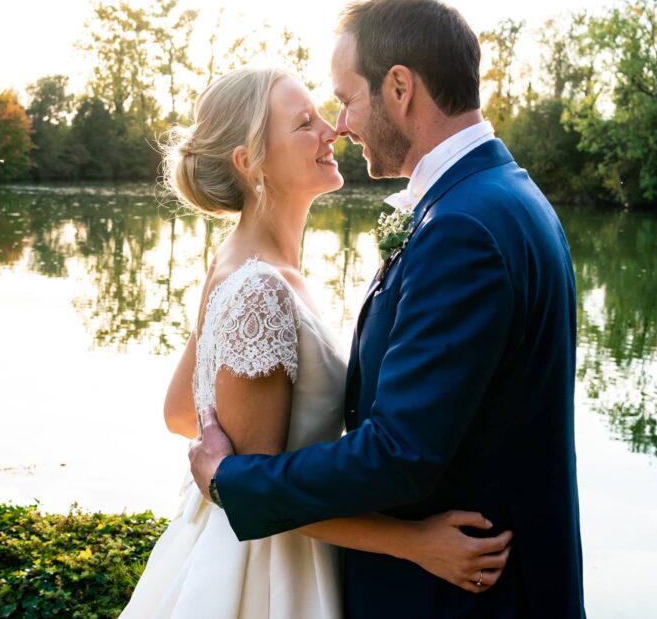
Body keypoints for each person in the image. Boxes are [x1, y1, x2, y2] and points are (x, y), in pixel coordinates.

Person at [189, 0, 586, 618]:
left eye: (345, 99)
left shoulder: (464, 228)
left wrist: (229, 482)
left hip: (467, 598)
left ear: (399, 88)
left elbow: (399, 453)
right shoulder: (498, 196)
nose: (338, 126)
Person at [120, 66, 512, 618]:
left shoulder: (239, 268)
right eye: (305, 123)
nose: (334, 130)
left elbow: (183, 411)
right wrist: (418, 543)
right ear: (249, 162)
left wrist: (219, 458)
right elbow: (255, 488)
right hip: (266, 574)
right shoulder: (259, 290)